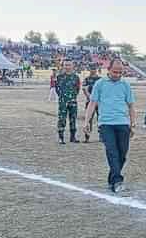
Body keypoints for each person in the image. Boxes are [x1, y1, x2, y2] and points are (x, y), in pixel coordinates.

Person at [83, 59, 136, 193]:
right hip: (106, 124)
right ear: (108, 70)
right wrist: (86, 122)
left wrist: (133, 123)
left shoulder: (125, 85)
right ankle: (118, 181)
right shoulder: (99, 84)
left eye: (120, 72)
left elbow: (131, 106)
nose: (117, 75)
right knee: (112, 152)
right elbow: (92, 103)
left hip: (123, 123)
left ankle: (112, 178)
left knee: (122, 155)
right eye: (115, 72)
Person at [55, 60, 81, 144]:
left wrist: (72, 96)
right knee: (62, 119)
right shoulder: (59, 77)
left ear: (72, 66)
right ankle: (61, 137)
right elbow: (57, 89)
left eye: (69, 65)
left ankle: (72, 137)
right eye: (66, 65)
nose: (67, 67)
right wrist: (63, 97)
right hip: (63, 101)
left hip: (73, 101)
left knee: (73, 119)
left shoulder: (76, 77)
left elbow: (77, 89)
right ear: (63, 66)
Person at [82, 65, 102, 142]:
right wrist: (90, 98)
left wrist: (97, 100)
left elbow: (102, 90)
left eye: (94, 69)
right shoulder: (87, 79)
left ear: (96, 69)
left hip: (99, 102)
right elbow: (84, 89)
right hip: (89, 102)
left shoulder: (100, 79)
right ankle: (87, 137)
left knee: (100, 119)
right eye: (91, 69)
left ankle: (101, 136)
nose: (92, 70)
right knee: (88, 119)